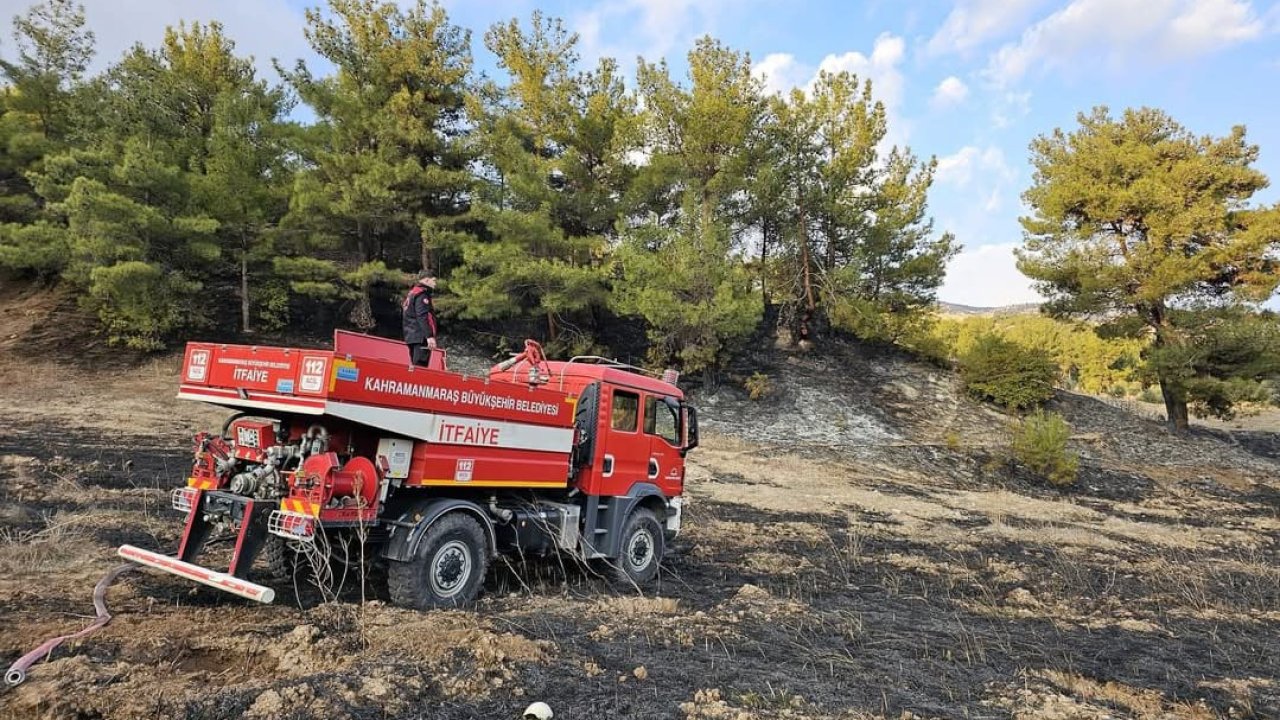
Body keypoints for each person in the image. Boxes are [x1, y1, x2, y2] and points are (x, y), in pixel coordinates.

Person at [402, 271, 438, 366]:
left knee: (415, 367)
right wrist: (429, 336)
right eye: (433, 280)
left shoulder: (412, 293)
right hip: (420, 337)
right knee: (420, 368)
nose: (435, 283)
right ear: (427, 280)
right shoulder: (422, 294)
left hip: (411, 335)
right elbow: (422, 316)